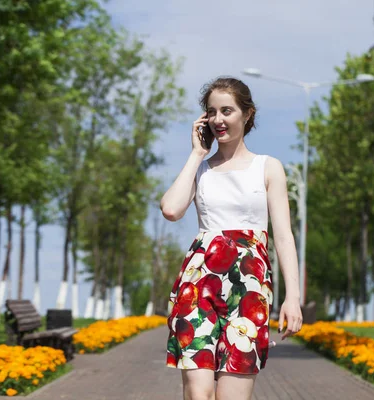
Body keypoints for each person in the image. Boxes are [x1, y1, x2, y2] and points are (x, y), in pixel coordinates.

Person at [160, 76, 302, 400]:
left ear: (247, 114)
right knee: (199, 394)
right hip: (198, 285)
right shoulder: (200, 169)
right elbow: (170, 209)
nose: (218, 119)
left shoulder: (268, 168)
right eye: (211, 112)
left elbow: (283, 236)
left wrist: (292, 296)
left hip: (249, 289)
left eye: (227, 110)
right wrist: (197, 154)